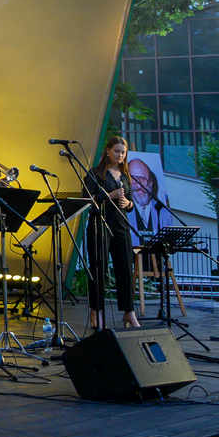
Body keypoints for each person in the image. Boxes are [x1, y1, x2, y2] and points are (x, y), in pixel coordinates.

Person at [84, 134, 141, 329]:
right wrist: (110, 195)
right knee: (98, 269)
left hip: (121, 225)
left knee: (125, 269)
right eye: (117, 151)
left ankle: (129, 312)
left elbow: (131, 203)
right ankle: (96, 311)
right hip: (99, 225)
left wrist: (128, 203)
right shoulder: (95, 174)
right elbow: (88, 200)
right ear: (108, 151)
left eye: (123, 152)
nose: (120, 155)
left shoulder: (125, 176)